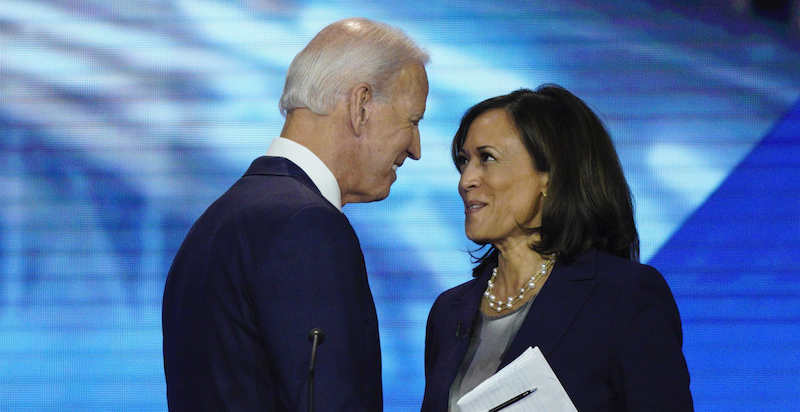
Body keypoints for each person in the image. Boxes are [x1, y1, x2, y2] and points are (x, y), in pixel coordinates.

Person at [162, 18, 429, 411]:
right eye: (413, 121)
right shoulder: (305, 227)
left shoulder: (216, 222)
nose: (416, 148)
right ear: (361, 106)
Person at [421, 86, 693, 411]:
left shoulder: (623, 295)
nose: (465, 181)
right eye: (464, 161)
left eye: (487, 158)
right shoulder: (448, 311)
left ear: (549, 176)